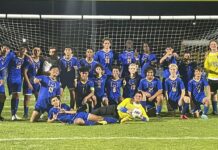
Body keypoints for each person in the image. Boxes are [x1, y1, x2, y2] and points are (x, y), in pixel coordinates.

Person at [47, 96, 117, 125]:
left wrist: (65, 111)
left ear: (59, 100)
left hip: (78, 114)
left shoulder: (64, 106)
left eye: (56, 100)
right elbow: (48, 121)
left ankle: (116, 120)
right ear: (51, 103)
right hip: (73, 120)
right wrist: (53, 119)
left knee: (100, 118)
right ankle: (96, 123)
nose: (56, 101)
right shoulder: (52, 110)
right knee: (80, 121)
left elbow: (74, 111)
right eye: (54, 101)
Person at [7, 47, 27, 121]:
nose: (23, 52)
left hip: (19, 79)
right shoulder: (13, 57)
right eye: (22, 50)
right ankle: (13, 114)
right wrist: (15, 51)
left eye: (25, 51)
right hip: (12, 78)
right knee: (14, 95)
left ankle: (15, 114)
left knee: (17, 96)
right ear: (19, 51)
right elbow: (10, 52)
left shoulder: (24, 59)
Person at [23, 47, 42, 118]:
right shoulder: (29, 60)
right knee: (27, 98)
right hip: (28, 81)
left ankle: (37, 112)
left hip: (35, 81)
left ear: (40, 52)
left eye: (38, 50)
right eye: (35, 50)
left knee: (39, 97)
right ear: (32, 51)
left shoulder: (39, 60)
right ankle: (25, 114)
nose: (36, 52)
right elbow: (24, 72)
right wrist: (28, 83)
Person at [0, 42, 15, 121]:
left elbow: (19, 53)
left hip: (1, 80)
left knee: (3, 96)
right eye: (4, 48)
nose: (5, 50)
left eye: (7, 48)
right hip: (0, 79)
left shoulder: (10, 55)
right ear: (1, 48)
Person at [204, 39, 218, 115]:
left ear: (217, 45)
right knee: (212, 93)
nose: (213, 45)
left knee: (214, 94)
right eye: (211, 44)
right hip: (211, 78)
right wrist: (210, 71)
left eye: (214, 44)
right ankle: (214, 111)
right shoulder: (208, 55)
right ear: (209, 46)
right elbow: (206, 67)